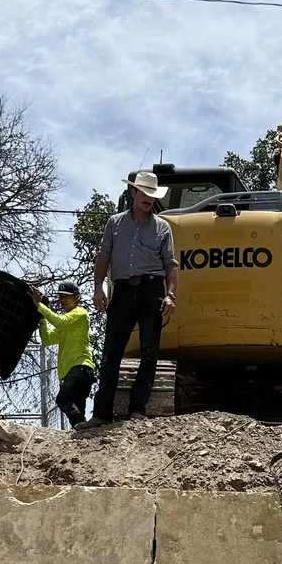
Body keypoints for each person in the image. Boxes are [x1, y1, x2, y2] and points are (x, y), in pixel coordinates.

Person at [90, 169, 178, 421]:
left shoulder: (163, 228)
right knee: (111, 351)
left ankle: (138, 410)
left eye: (153, 194)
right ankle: (102, 413)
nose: (149, 199)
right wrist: (98, 288)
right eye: (145, 193)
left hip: (152, 290)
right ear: (134, 192)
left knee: (149, 351)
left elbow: (170, 263)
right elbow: (104, 257)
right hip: (123, 290)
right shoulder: (114, 223)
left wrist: (170, 295)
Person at [39, 280, 95, 427]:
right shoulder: (66, 323)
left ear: (77, 297)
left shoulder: (80, 313)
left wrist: (40, 307)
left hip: (80, 367)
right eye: (60, 296)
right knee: (77, 413)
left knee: (63, 400)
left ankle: (83, 426)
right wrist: (41, 318)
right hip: (76, 372)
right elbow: (47, 339)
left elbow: (60, 322)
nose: (62, 300)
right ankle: (84, 436)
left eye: (66, 296)